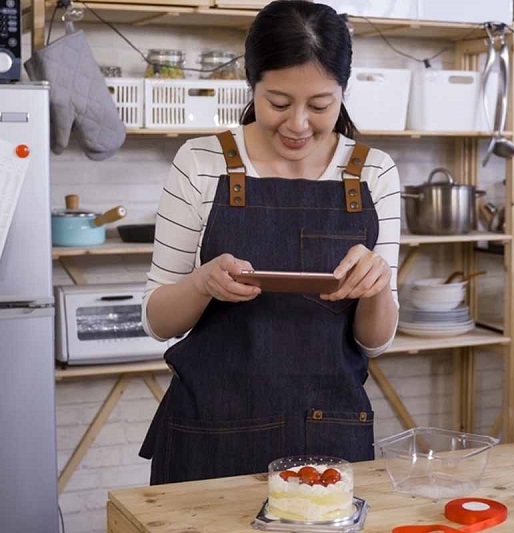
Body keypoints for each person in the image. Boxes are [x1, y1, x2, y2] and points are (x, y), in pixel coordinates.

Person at [139, 0, 401, 484]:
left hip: (329, 437)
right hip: (209, 437)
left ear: (343, 91)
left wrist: (377, 285)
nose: (298, 124)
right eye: (278, 102)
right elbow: (158, 321)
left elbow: (375, 340)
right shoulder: (200, 162)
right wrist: (201, 284)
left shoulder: (373, 172)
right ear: (251, 83)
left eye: (321, 105)